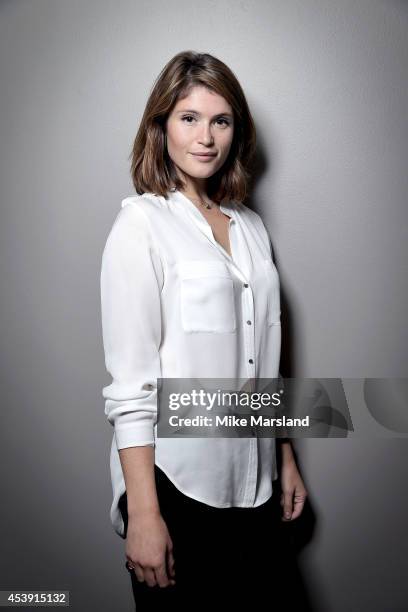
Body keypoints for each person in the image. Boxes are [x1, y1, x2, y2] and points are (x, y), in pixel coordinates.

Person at [100, 50, 308, 610]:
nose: (206, 137)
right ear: (161, 124)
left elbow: (267, 356)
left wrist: (283, 455)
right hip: (177, 485)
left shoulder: (251, 226)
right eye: (188, 117)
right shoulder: (140, 225)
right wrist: (144, 514)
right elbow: (132, 386)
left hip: (257, 478)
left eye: (221, 120)